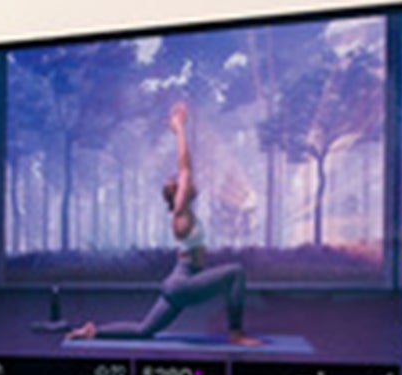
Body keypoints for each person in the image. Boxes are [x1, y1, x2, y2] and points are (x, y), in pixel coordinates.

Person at [63, 101, 257, 345]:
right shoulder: (181, 212)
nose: (185, 181)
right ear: (178, 193)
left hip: (179, 282)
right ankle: (236, 333)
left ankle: (92, 331)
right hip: (185, 282)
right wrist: (179, 129)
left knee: (143, 331)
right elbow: (185, 167)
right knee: (236, 273)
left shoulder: (184, 214)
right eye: (179, 182)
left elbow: (186, 172)